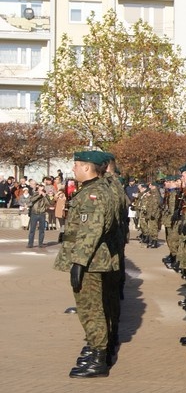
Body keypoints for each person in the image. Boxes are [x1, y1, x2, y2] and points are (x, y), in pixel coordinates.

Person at [55, 150, 120, 378]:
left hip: (90, 261)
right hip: (89, 258)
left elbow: (91, 231)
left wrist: (79, 263)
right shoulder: (92, 190)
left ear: (87, 167)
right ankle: (95, 351)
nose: (73, 169)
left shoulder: (95, 194)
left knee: (91, 309)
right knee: (90, 308)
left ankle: (98, 358)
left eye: (76, 165)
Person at [26, 184, 50, 248]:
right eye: (40, 189)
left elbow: (48, 204)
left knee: (42, 230)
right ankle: (30, 244)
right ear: (38, 189)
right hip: (34, 213)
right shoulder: (35, 194)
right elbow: (32, 200)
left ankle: (40, 243)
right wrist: (39, 195)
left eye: (42, 189)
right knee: (32, 229)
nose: (41, 191)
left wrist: (44, 196)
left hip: (42, 214)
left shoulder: (46, 196)